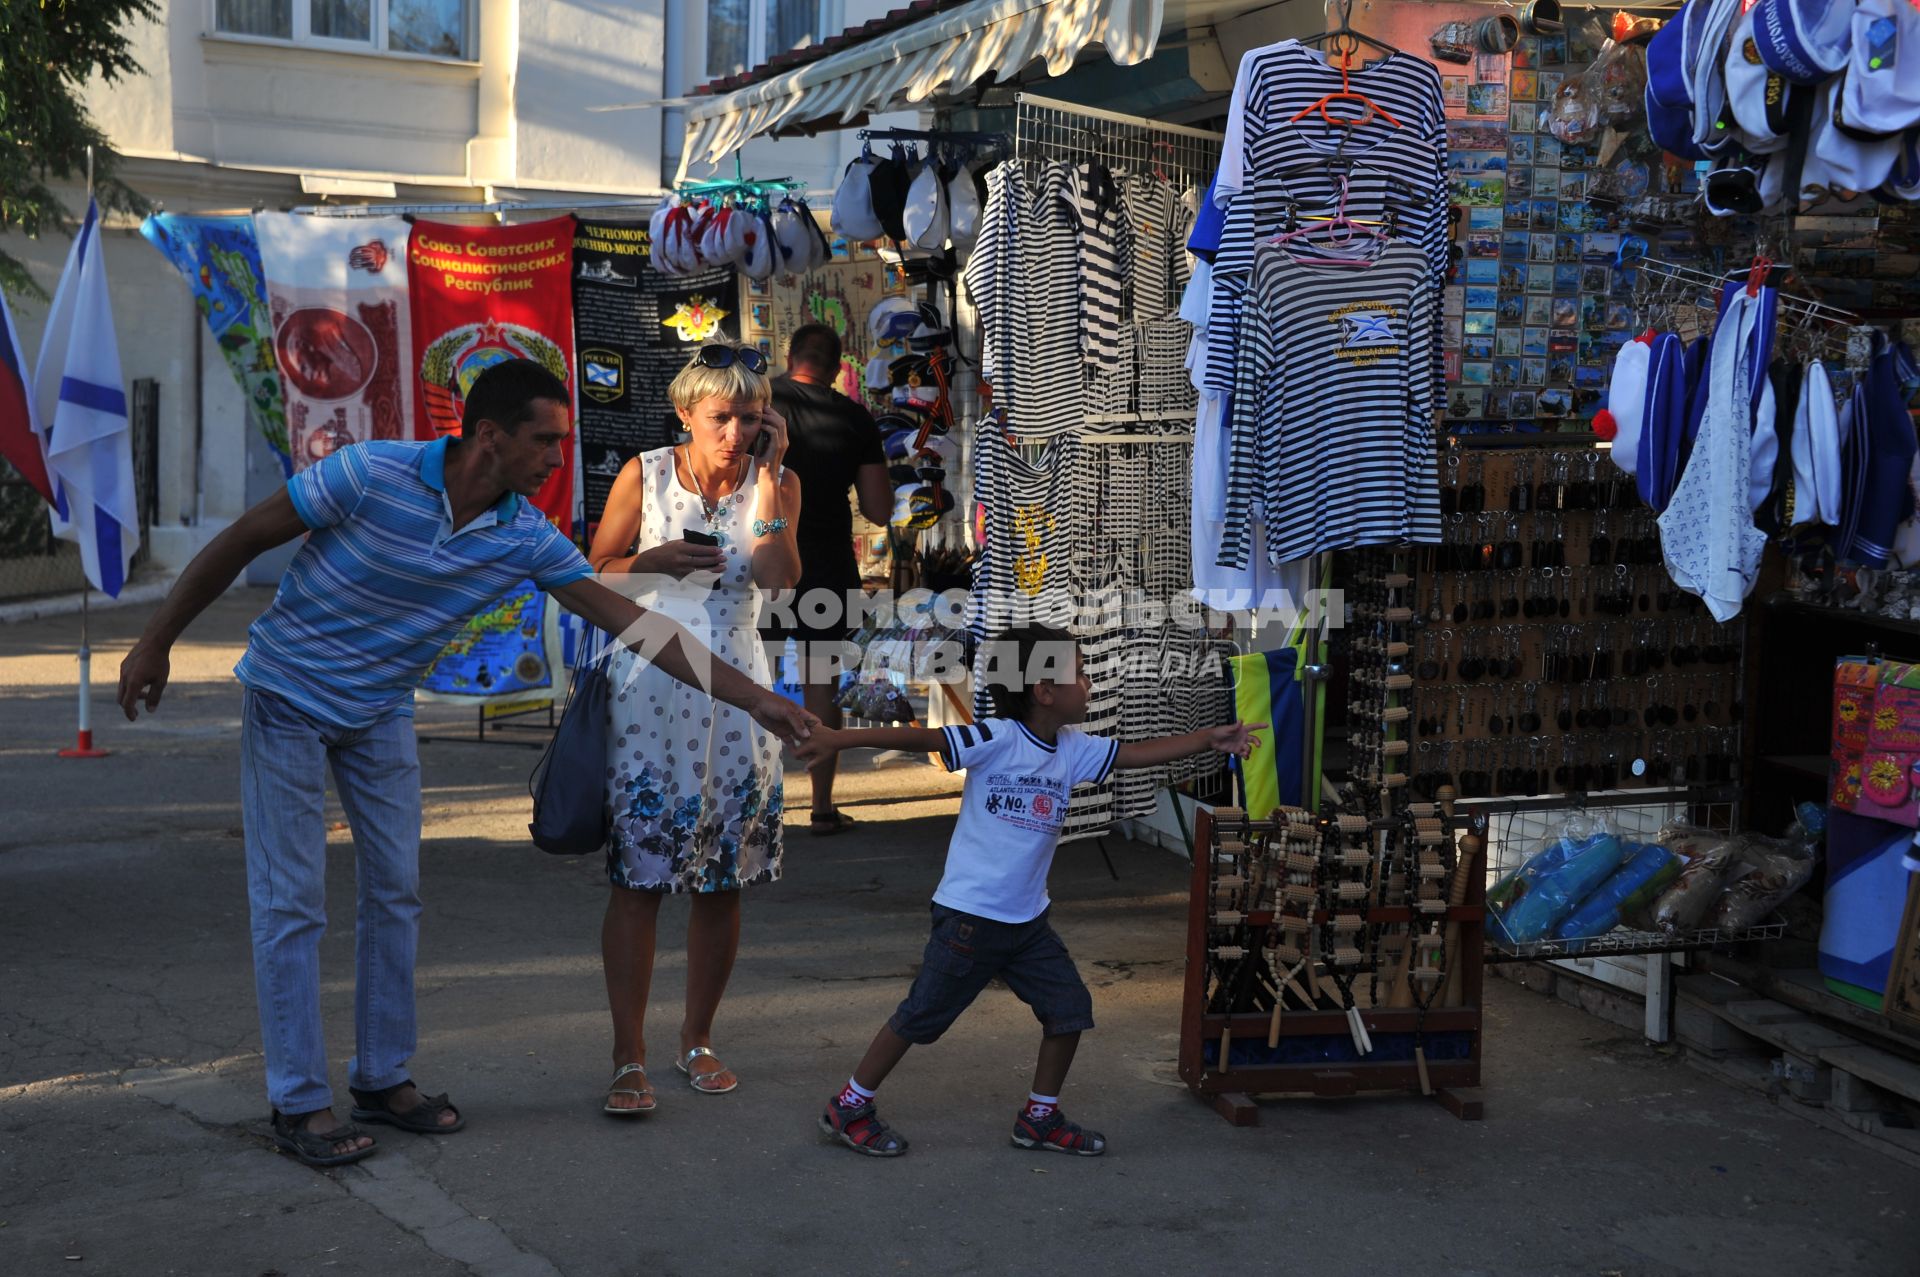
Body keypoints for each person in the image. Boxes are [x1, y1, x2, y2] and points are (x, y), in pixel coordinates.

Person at [116, 358, 815, 1169]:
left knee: (396, 892)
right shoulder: (368, 472)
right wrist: (155, 639)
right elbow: (244, 537)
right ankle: (300, 1101)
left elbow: (638, 626)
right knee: (293, 903)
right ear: (489, 436)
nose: (558, 460)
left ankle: (382, 1078)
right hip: (288, 694)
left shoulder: (521, 532)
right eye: (545, 441)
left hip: (379, 709)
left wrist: (754, 698)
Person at [794, 625, 1262, 1158]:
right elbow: (922, 739)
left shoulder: (1073, 749)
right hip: (969, 920)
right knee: (921, 1017)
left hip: (1027, 923)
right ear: (1044, 690)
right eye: (1080, 673)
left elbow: (1135, 754)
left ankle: (1040, 1117)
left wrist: (1208, 738)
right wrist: (835, 738)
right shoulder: (996, 738)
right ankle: (849, 1105)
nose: (1089, 682)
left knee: (1068, 1009)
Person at [586, 342, 803, 1114]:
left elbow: (779, 581)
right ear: (685, 412)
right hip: (647, 683)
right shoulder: (642, 474)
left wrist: (772, 481)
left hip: (740, 695)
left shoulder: (775, 483)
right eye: (722, 416)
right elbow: (591, 571)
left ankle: (698, 1038)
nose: (736, 432)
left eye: (751, 416)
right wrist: (652, 562)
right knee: (638, 878)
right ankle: (628, 1055)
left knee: (722, 880)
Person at [764, 323, 893, 836]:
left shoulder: (757, 400)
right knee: (823, 682)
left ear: (788, 354)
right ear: (840, 366)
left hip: (763, 554)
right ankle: (821, 807)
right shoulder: (855, 418)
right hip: (827, 562)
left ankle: (751, 801)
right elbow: (880, 509)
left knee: (749, 676)